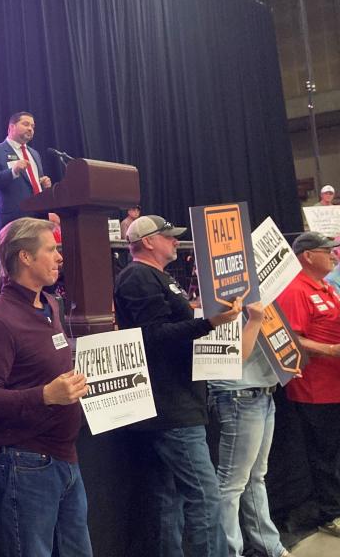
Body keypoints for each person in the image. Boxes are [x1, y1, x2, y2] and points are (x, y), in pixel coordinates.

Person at [114, 215, 245, 557]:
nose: (175, 241)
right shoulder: (138, 276)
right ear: (147, 242)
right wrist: (208, 323)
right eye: (168, 236)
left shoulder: (156, 276)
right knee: (204, 496)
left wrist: (203, 319)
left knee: (167, 497)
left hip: (175, 399)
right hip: (170, 405)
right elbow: (153, 336)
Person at [0, 218, 90, 556]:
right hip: (26, 463)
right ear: (25, 257)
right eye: (51, 249)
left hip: (66, 458)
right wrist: (45, 395)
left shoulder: (49, 305)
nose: (59, 257)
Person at [208, 307, 291, 557]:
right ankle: (230, 551)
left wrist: (289, 358)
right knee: (232, 483)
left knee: (255, 476)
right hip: (239, 392)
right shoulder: (226, 294)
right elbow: (230, 354)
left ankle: (269, 546)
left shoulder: (264, 292)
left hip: (262, 389)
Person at [276, 231, 340, 539]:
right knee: (324, 455)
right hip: (315, 388)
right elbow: (290, 338)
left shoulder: (326, 287)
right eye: (326, 250)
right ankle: (330, 513)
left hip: (334, 384)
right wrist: (330, 350)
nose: (333, 255)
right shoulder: (296, 290)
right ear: (307, 256)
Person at [0, 112, 52, 235]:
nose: (30, 128)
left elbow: (33, 183)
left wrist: (44, 184)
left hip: (39, 217)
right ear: (11, 127)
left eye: (33, 126)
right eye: (25, 124)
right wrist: (13, 171)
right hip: (14, 222)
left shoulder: (34, 154)